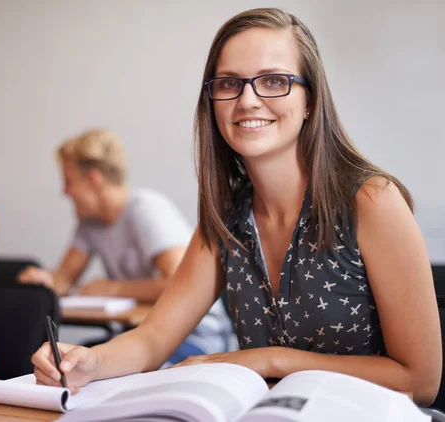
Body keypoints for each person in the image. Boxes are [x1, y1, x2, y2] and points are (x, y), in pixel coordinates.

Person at [31, 8, 441, 405]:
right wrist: (89, 361)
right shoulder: (227, 217)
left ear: (311, 101)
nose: (247, 100)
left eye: (274, 80)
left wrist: (269, 360)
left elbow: (420, 381)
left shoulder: (372, 201)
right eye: (229, 84)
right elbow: (153, 339)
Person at [18, 128, 233, 364]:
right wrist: (44, 280)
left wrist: (112, 288)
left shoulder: (146, 210)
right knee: (71, 363)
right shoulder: (89, 222)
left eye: (68, 181)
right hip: (141, 335)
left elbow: (179, 282)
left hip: (195, 337)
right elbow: (65, 279)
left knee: (97, 370)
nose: (65, 192)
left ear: (94, 179)